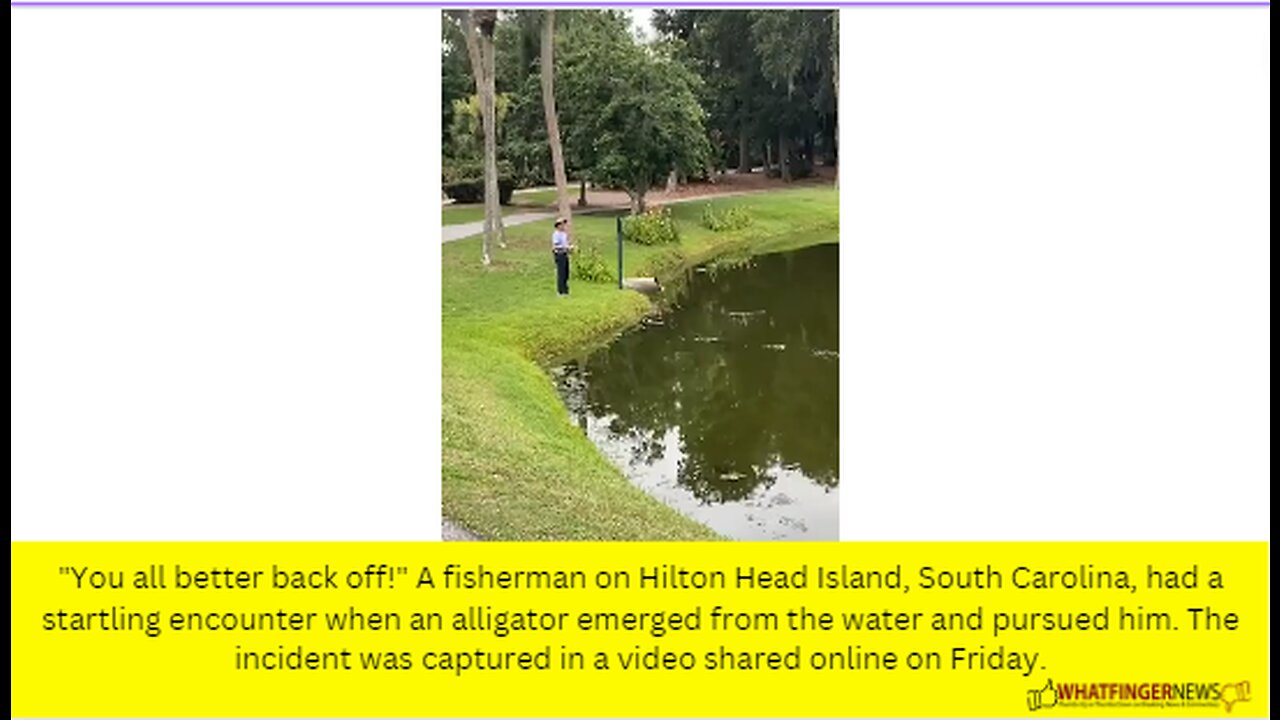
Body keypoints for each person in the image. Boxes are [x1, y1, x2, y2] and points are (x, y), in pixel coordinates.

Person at [551, 217, 573, 296]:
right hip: (559, 254)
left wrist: (570, 247)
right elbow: (556, 246)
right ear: (558, 225)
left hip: (565, 254)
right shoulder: (556, 234)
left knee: (566, 272)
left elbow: (565, 243)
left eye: (564, 224)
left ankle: (565, 290)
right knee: (561, 273)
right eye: (562, 224)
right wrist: (566, 247)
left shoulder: (564, 234)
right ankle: (560, 291)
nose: (564, 226)